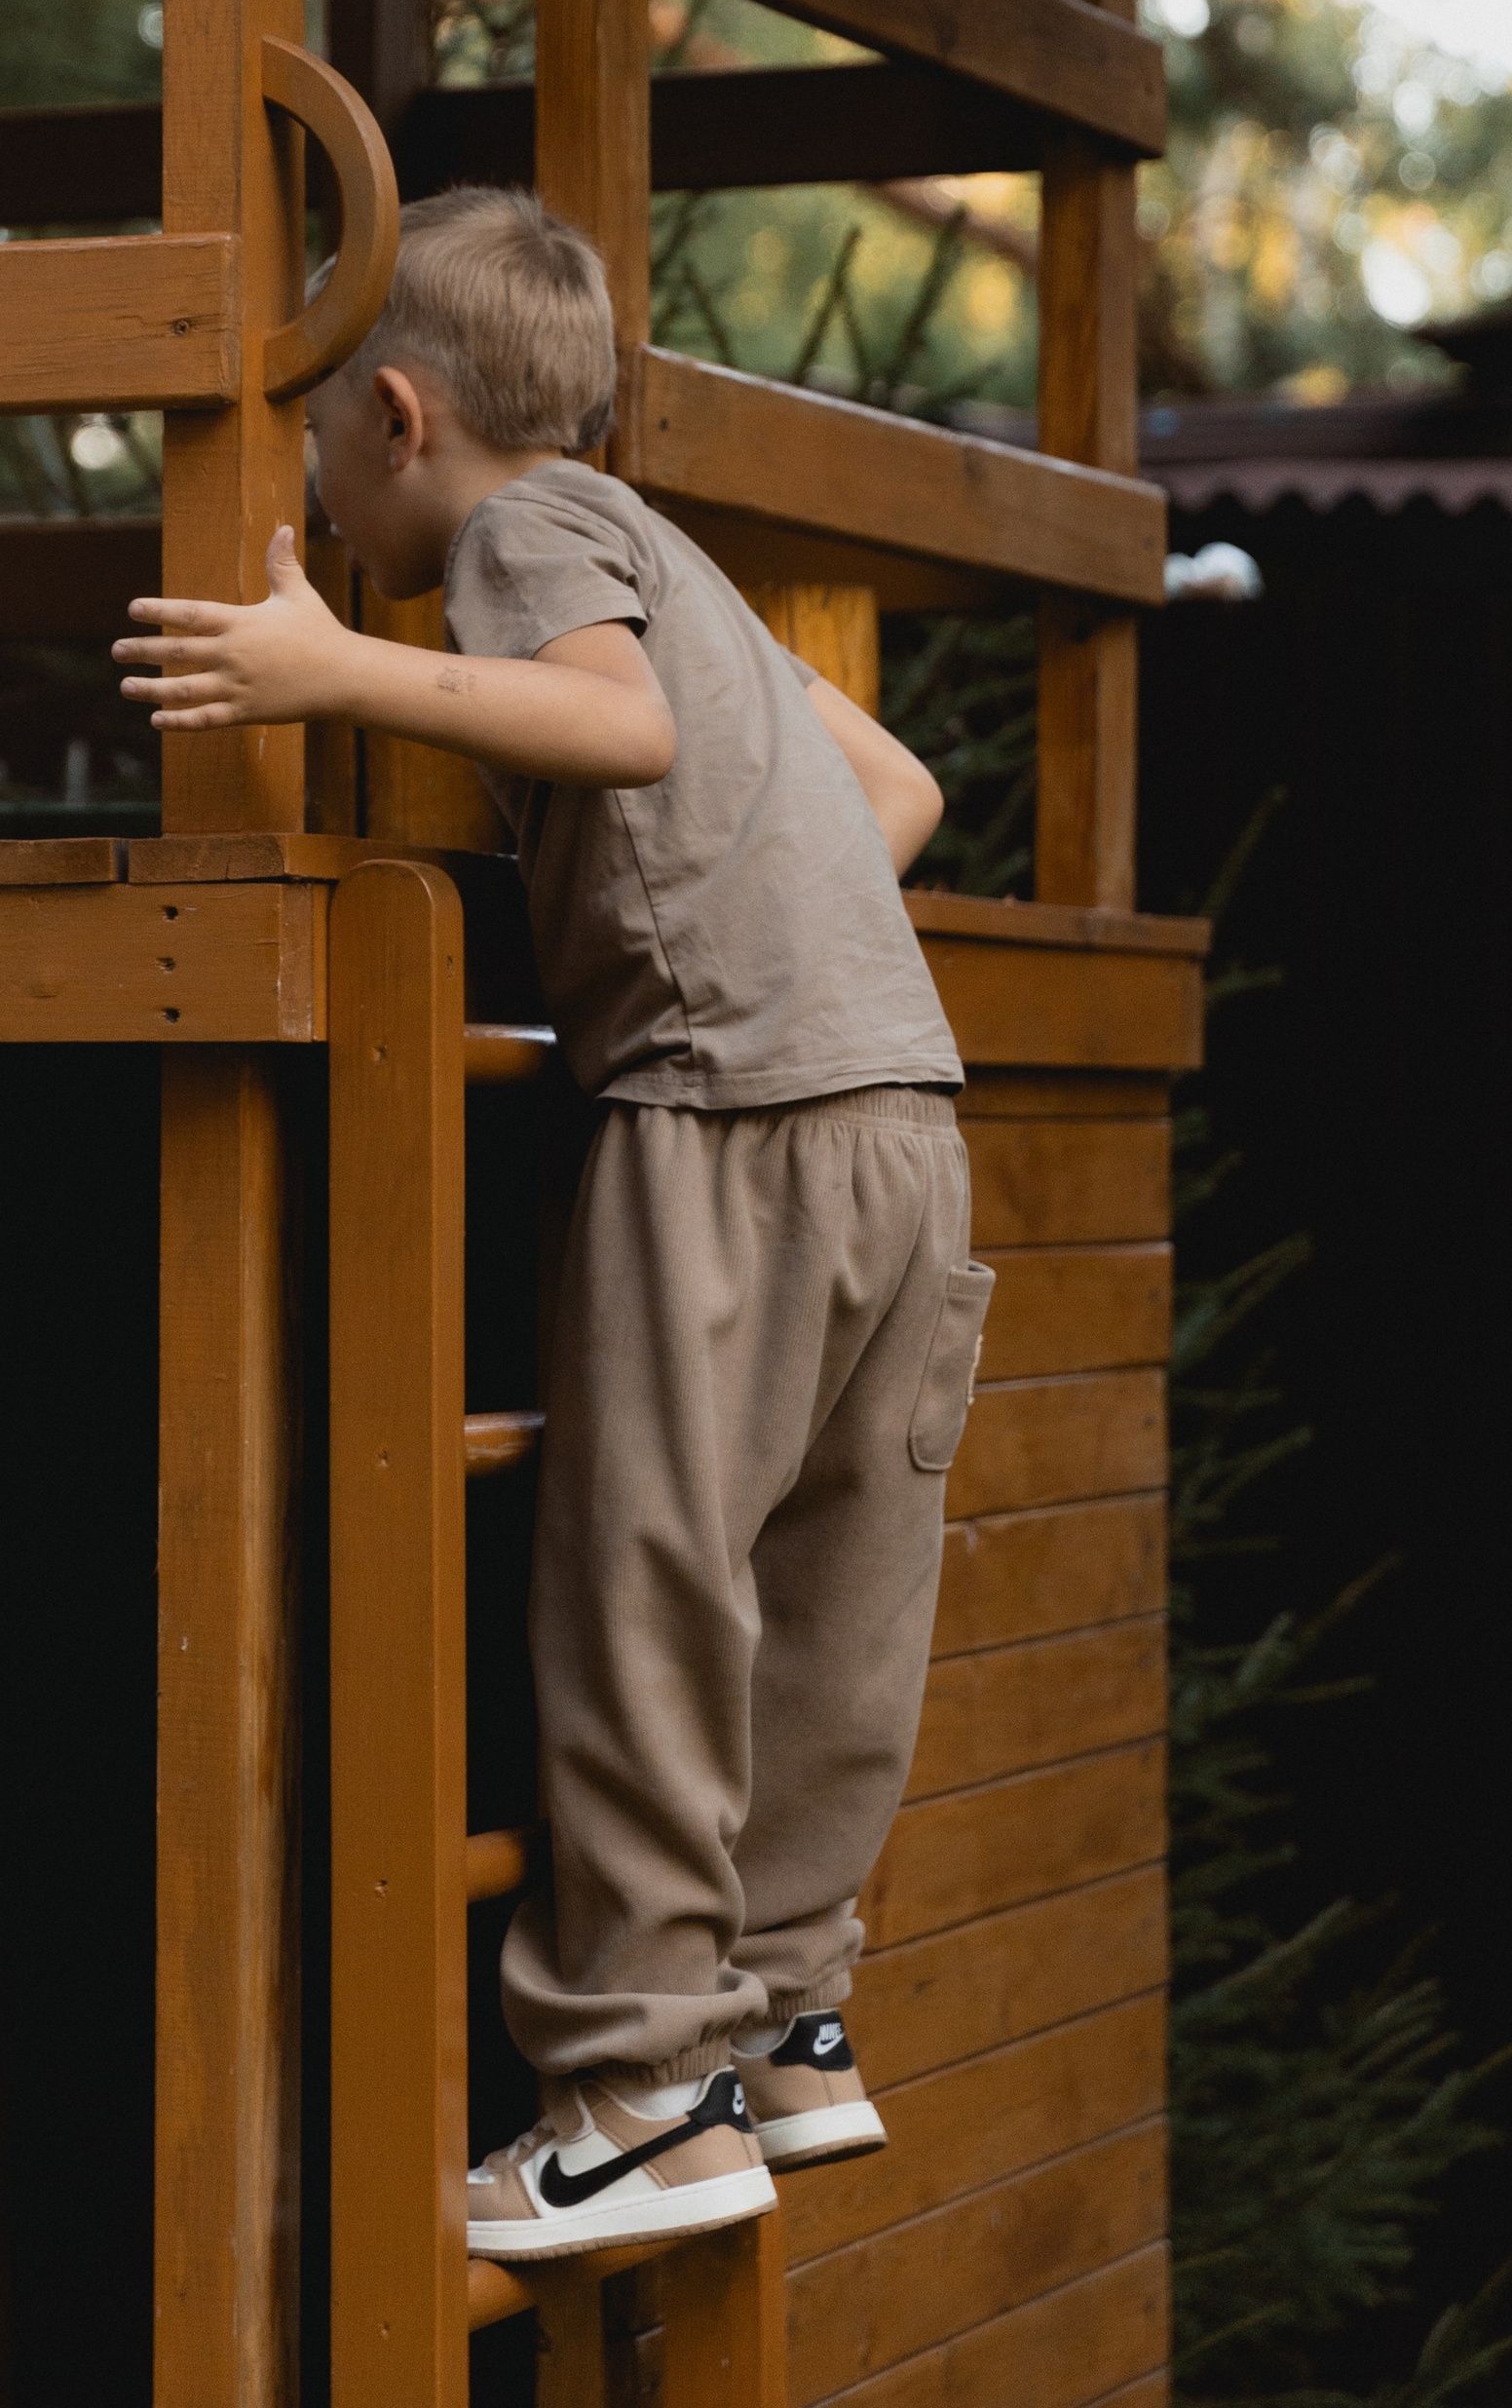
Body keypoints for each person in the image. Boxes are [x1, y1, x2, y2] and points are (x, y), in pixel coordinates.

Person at [113, 187, 990, 2264]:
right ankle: (784, 2021)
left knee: (644, 1588)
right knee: (833, 1596)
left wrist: (327, 668)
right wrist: (737, 893)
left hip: (726, 1127)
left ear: (397, 417)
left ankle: (627, 2096)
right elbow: (889, 792)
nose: (315, 481)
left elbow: (621, 731)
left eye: (320, 434)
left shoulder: (519, 544)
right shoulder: (665, 555)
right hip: (899, 1117)